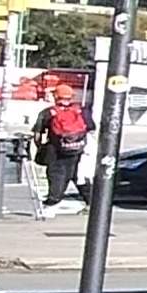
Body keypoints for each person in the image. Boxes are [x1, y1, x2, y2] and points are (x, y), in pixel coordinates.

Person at [31, 87, 93, 218]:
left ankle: (52, 203)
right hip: (78, 151)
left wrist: (41, 147)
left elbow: (37, 135)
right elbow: (91, 128)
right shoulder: (81, 111)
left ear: (56, 97)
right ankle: (91, 203)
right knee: (78, 176)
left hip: (56, 151)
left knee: (56, 175)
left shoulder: (48, 113)